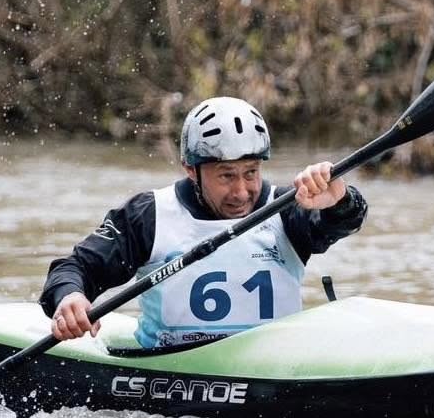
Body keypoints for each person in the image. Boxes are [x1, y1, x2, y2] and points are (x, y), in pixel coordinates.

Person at [40, 96, 368, 349]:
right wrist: (70, 298)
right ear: (190, 169)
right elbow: (74, 268)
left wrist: (339, 200)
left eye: (251, 173)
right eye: (226, 176)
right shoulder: (149, 216)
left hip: (273, 368)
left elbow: (343, 221)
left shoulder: (287, 208)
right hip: (173, 369)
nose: (241, 192)